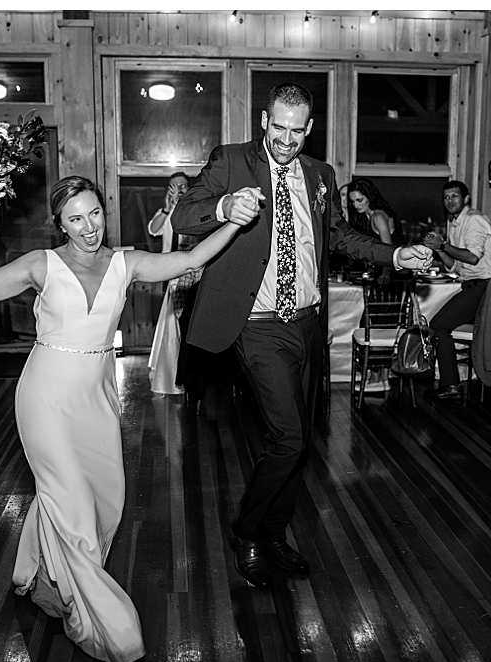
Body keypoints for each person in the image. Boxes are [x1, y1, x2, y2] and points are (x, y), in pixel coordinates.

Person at [0, 175, 253, 662]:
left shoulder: (125, 262)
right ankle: (103, 625)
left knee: (105, 502)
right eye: (76, 219)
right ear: (60, 225)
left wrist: (233, 222)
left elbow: (189, 259)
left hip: (97, 395)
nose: (89, 227)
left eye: (94, 213)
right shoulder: (41, 265)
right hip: (46, 396)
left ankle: (38, 574)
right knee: (70, 503)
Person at [170, 82, 432, 588]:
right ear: (264, 122)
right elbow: (185, 213)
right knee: (287, 437)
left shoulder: (320, 175)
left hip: (308, 322)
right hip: (258, 323)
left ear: (309, 129)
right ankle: (247, 533)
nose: (286, 139)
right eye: (278, 127)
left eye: (297, 130)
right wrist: (224, 208)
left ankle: (273, 534)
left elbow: (339, 236)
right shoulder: (231, 160)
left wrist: (395, 255)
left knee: (301, 440)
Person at [424, 180, 491, 400]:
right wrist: (437, 249)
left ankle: (450, 385)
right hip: (474, 285)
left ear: (466, 199)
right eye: (446, 197)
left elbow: (472, 257)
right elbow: (454, 265)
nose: (449, 201)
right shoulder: (458, 223)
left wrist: (442, 245)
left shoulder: (474, 220)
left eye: (454, 196)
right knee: (440, 324)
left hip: (486, 287)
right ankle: (451, 381)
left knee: (439, 326)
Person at [146, 171, 194, 396]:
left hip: (189, 275)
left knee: (182, 326)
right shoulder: (165, 214)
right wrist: (167, 209)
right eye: (174, 187)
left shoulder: (193, 211)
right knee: (168, 325)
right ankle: (168, 372)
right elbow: (153, 230)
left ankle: (182, 374)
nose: (179, 191)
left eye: (183, 187)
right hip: (168, 272)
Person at [347, 177, 405, 284]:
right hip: (383, 272)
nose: (356, 205)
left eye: (359, 200)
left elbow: (388, 249)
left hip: (394, 276)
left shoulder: (378, 216)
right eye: (352, 202)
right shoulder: (367, 217)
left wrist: (385, 274)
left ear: (369, 197)